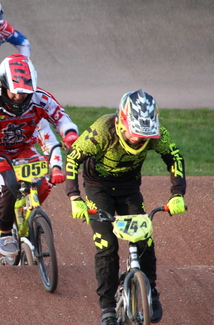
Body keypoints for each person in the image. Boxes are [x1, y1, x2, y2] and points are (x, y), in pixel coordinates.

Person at [64, 89, 187, 325]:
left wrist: (177, 194)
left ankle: (151, 293)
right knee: (107, 245)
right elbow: (72, 159)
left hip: (129, 187)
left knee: (144, 237)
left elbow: (174, 156)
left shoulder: (156, 134)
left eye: (145, 137)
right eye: (135, 134)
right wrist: (74, 197)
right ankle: (107, 307)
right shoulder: (102, 130)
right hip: (97, 187)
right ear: (121, 123)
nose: (139, 140)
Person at [0, 54, 79, 263]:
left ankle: (26, 215)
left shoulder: (41, 98)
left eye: (25, 92)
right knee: (5, 185)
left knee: (44, 182)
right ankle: (5, 235)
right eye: (15, 92)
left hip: (24, 149)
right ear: (3, 85)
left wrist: (70, 133)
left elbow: (61, 117)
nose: (20, 97)